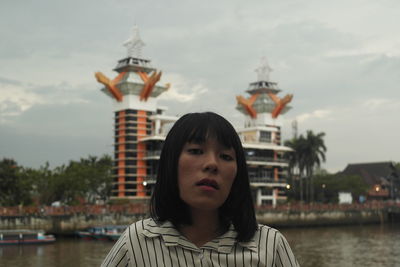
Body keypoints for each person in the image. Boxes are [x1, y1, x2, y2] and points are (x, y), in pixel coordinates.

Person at [101, 112, 299, 267]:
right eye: (195, 151)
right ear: (171, 164)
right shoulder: (137, 241)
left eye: (226, 156)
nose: (212, 164)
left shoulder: (270, 246)